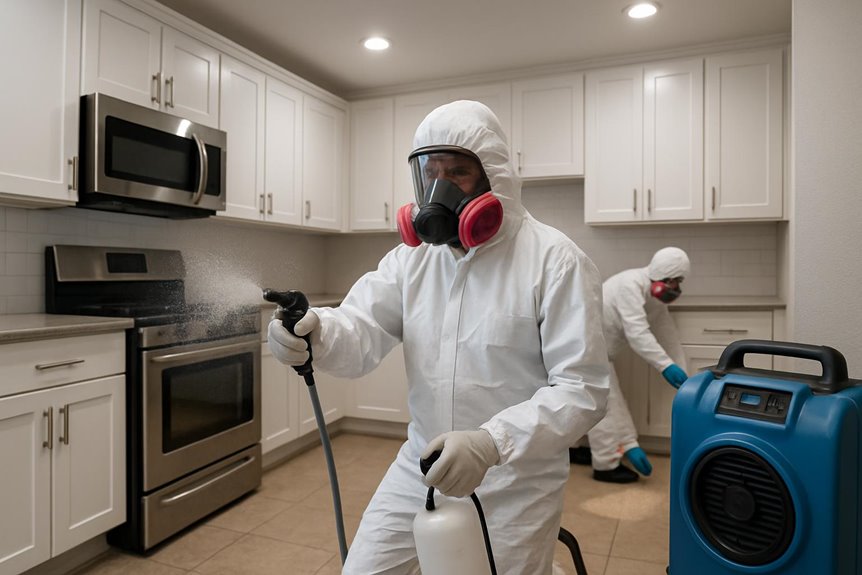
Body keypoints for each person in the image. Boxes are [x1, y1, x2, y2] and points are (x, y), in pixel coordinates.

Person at [267, 100, 610, 574]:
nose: (441, 188)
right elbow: (360, 330)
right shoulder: (413, 261)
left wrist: (491, 442)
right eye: (432, 172)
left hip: (515, 481)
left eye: (459, 173)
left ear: (494, 177)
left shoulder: (555, 261)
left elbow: (583, 390)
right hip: (420, 464)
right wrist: (317, 331)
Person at [570, 247, 690, 483]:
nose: (674, 288)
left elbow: (668, 335)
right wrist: (665, 366)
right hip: (586, 349)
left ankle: (578, 449)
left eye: (678, 282)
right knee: (603, 402)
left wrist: (683, 370)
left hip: (596, 351)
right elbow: (638, 333)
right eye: (672, 281)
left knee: (585, 400)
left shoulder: (654, 299)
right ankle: (605, 464)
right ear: (660, 274)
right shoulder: (630, 286)